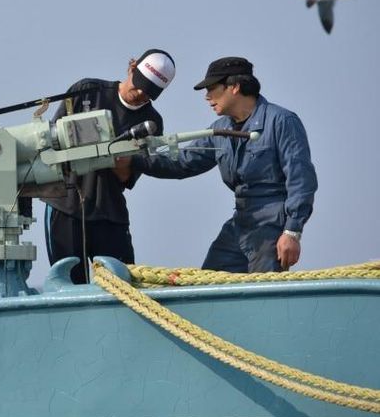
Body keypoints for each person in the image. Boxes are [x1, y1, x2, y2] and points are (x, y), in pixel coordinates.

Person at [134, 56, 317, 272]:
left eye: (212, 88)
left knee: (262, 296)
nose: (207, 96)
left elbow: (301, 180)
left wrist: (291, 232)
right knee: (207, 284)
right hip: (240, 224)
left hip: (272, 226)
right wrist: (134, 159)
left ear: (235, 87)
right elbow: (183, 162)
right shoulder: (218, 129)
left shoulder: (282, 121)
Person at [42, 49, 176, 284]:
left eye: (151, 92)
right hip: (65, 205)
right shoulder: (87, 90)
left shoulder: (151, 123)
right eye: (140, 83)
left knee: (123, 284)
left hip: (110, 210)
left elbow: (127, 177)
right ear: (131, 68)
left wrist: (115, 155)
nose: (142, 93)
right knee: (68, 283)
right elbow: (51, 141)